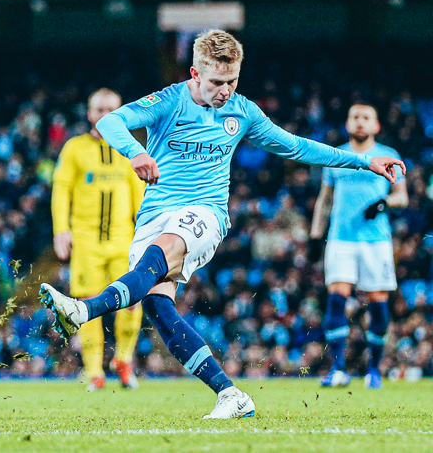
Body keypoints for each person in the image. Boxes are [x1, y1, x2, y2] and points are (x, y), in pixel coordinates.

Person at [39, 29, 405, 419]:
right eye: (216, 82)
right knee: (158, 308)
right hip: (154, 213)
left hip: (205, 213)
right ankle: (230, 395)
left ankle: (82, 310)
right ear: (195, 74)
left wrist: (364, 161)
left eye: (232, 81)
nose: (225, 90)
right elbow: (113, 122)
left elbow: (296, 146)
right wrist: (135, 152)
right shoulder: (169, 100)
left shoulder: (242, 111)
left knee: (160, 253)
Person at [309, 104, 407, 389]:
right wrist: (316, 236)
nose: (360, 122)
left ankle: (373, 369)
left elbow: (402, 196)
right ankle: (338, 368)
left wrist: (383, 203)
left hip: (376, 240)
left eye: (366, 118)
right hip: (340, 237)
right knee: (337, 297)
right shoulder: (336, 156)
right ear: (348, 123)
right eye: (355, 117)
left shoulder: (389, 156)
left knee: (377, 301)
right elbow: (324, 200)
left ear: (376, 126)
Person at [51, 88, 144, 392]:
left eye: (111, 110)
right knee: (88, 306)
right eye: (99, 110)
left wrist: (146, 235)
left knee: (132, 301)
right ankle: (94, 372)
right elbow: (61, 190)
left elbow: (140, 197)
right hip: (86, 241)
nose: (105, 115)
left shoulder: (129, 149)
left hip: (123, 240)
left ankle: (124, 360)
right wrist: (61, 229)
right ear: (90, 114)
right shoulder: (75, 148)